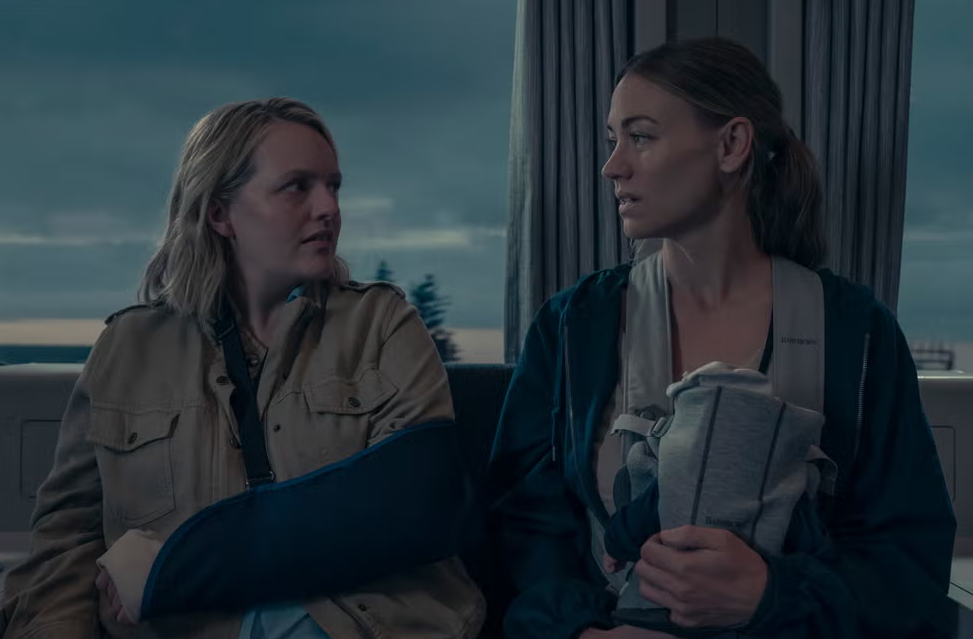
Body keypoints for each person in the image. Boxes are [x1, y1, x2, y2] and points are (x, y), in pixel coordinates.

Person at [486, 38, 955, 639]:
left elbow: (908, 562)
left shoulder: (858, 331)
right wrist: (579, 631)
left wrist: (769, 595)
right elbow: (522, 530)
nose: (613, 166)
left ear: (731, 144)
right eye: (612, 140)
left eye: (641, 136)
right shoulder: (572, 325)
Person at [1, 97, 485, 639]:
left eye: (334, 186)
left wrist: (174, 569)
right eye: (297, 186)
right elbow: (67, 543)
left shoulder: (383, 325)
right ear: (219, 213)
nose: (329, 208)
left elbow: (413, 507)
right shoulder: (127, 348)